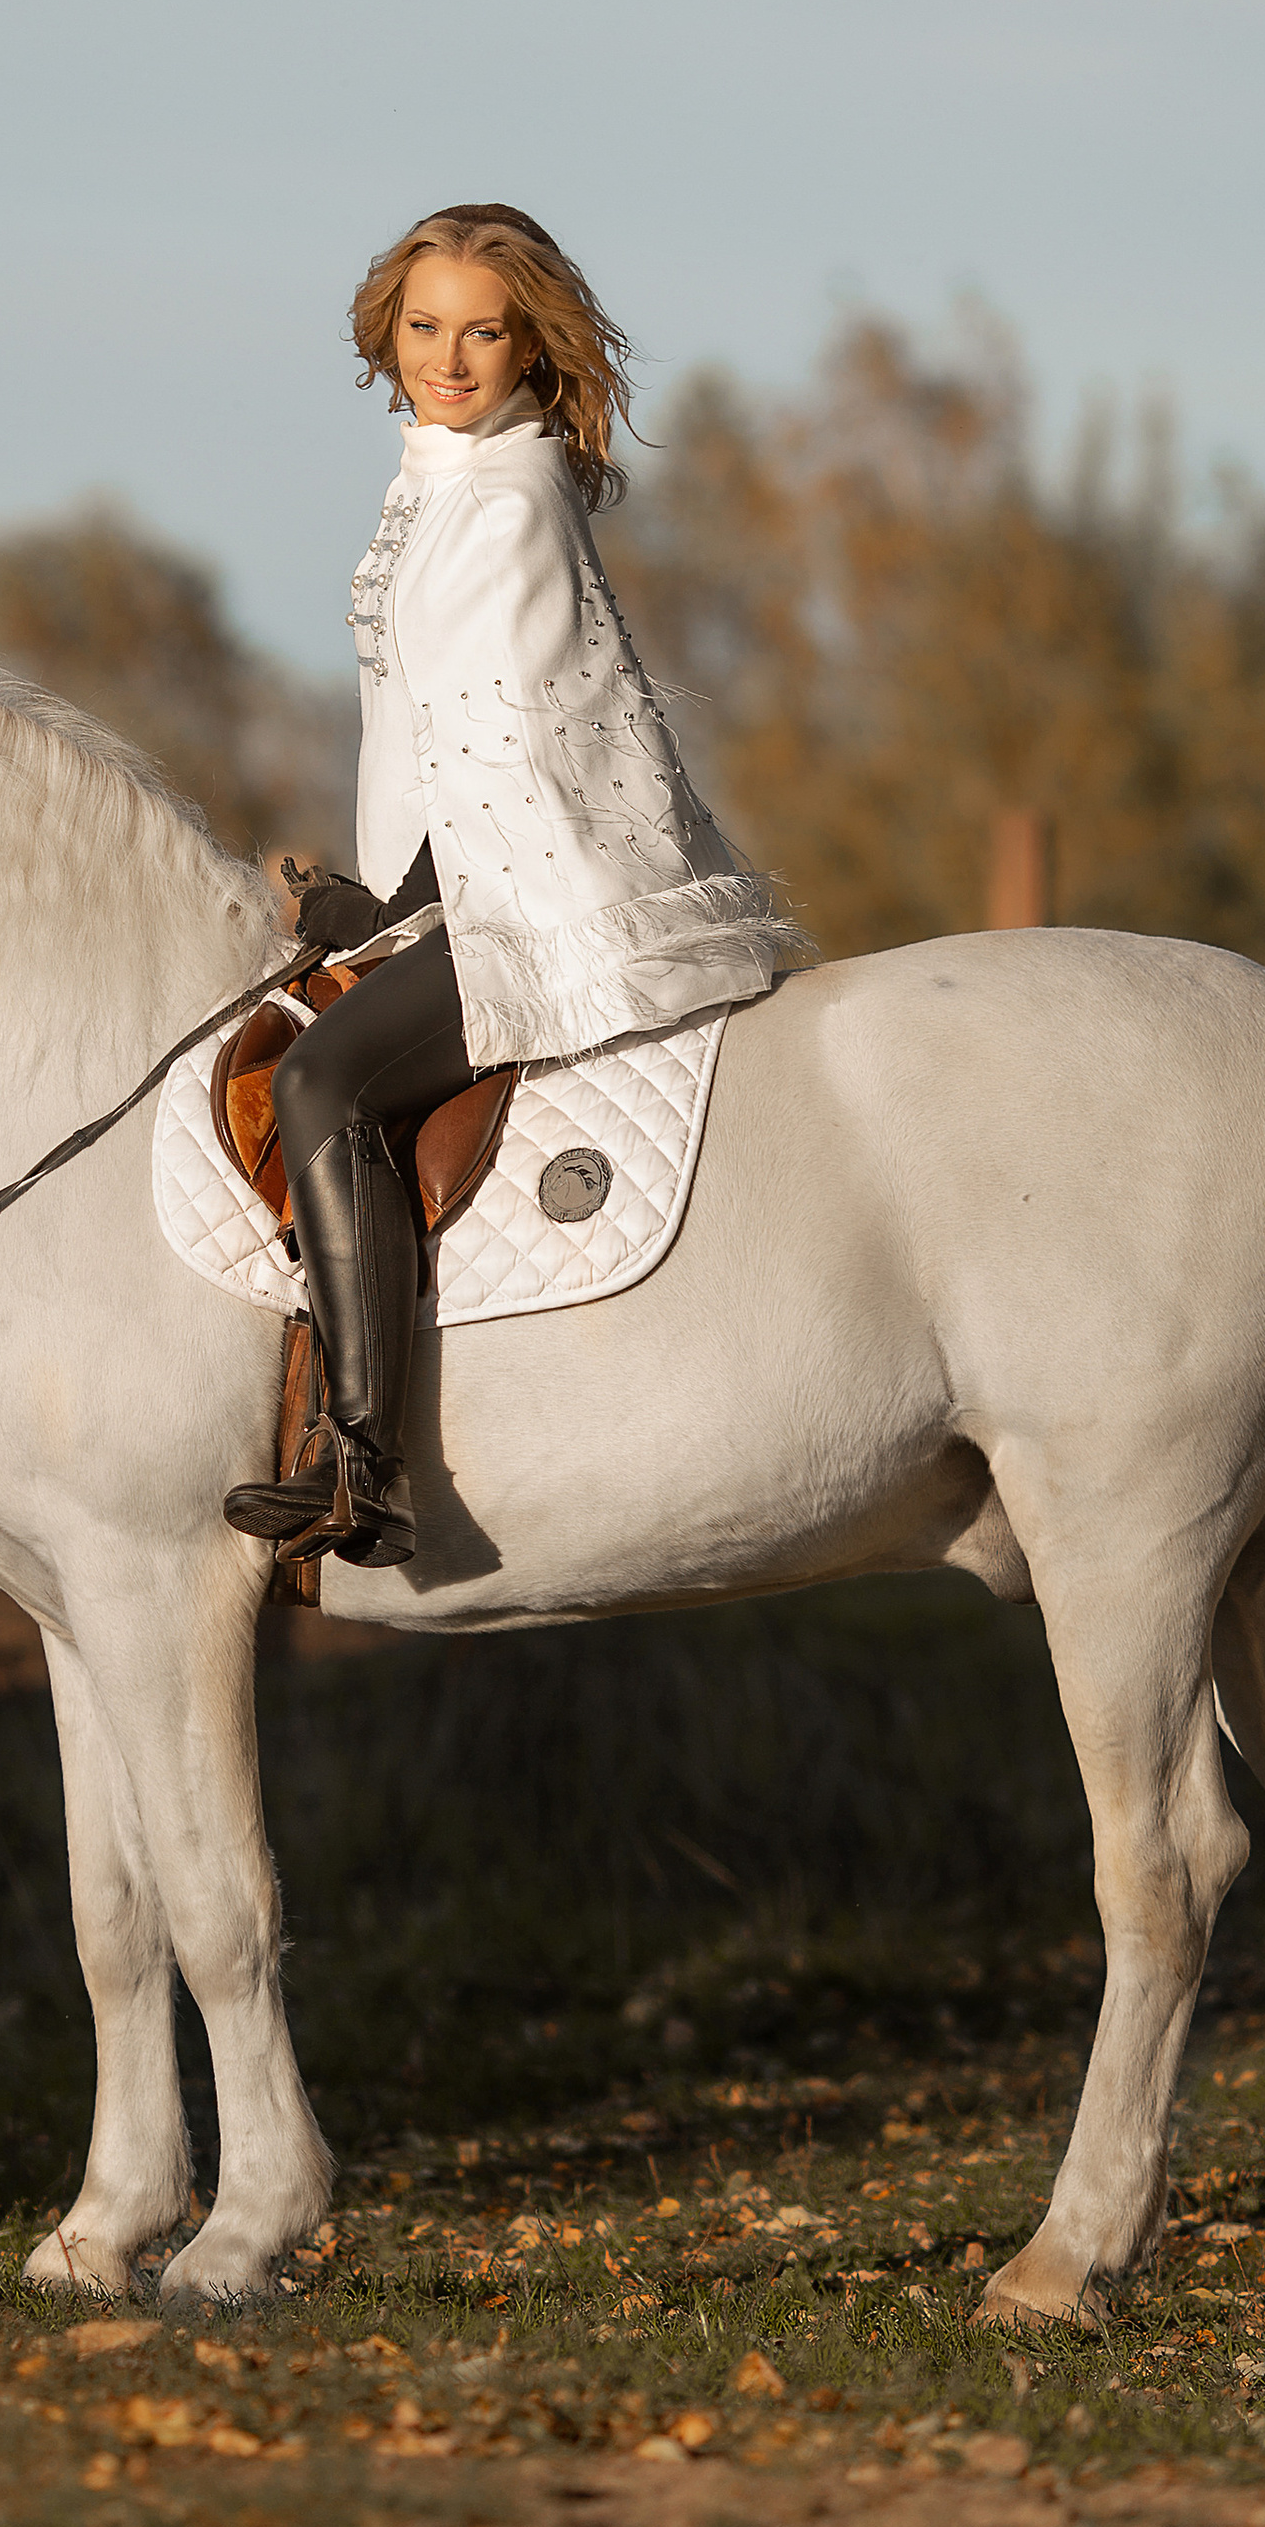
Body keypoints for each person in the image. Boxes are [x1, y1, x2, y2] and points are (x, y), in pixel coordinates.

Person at [222, 201, 806, 1572]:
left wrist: (401, 914)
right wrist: (382, 901)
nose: (448, 359)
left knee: (320, 1083)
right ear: (390, 334)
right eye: (425, 328)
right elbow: (437, 742)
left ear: (528, 345)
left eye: (481, 333)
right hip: (463, 877)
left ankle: (364, 1461)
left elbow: (513, 750)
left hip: (533, 895)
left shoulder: (503, 501)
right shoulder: (440, 478)